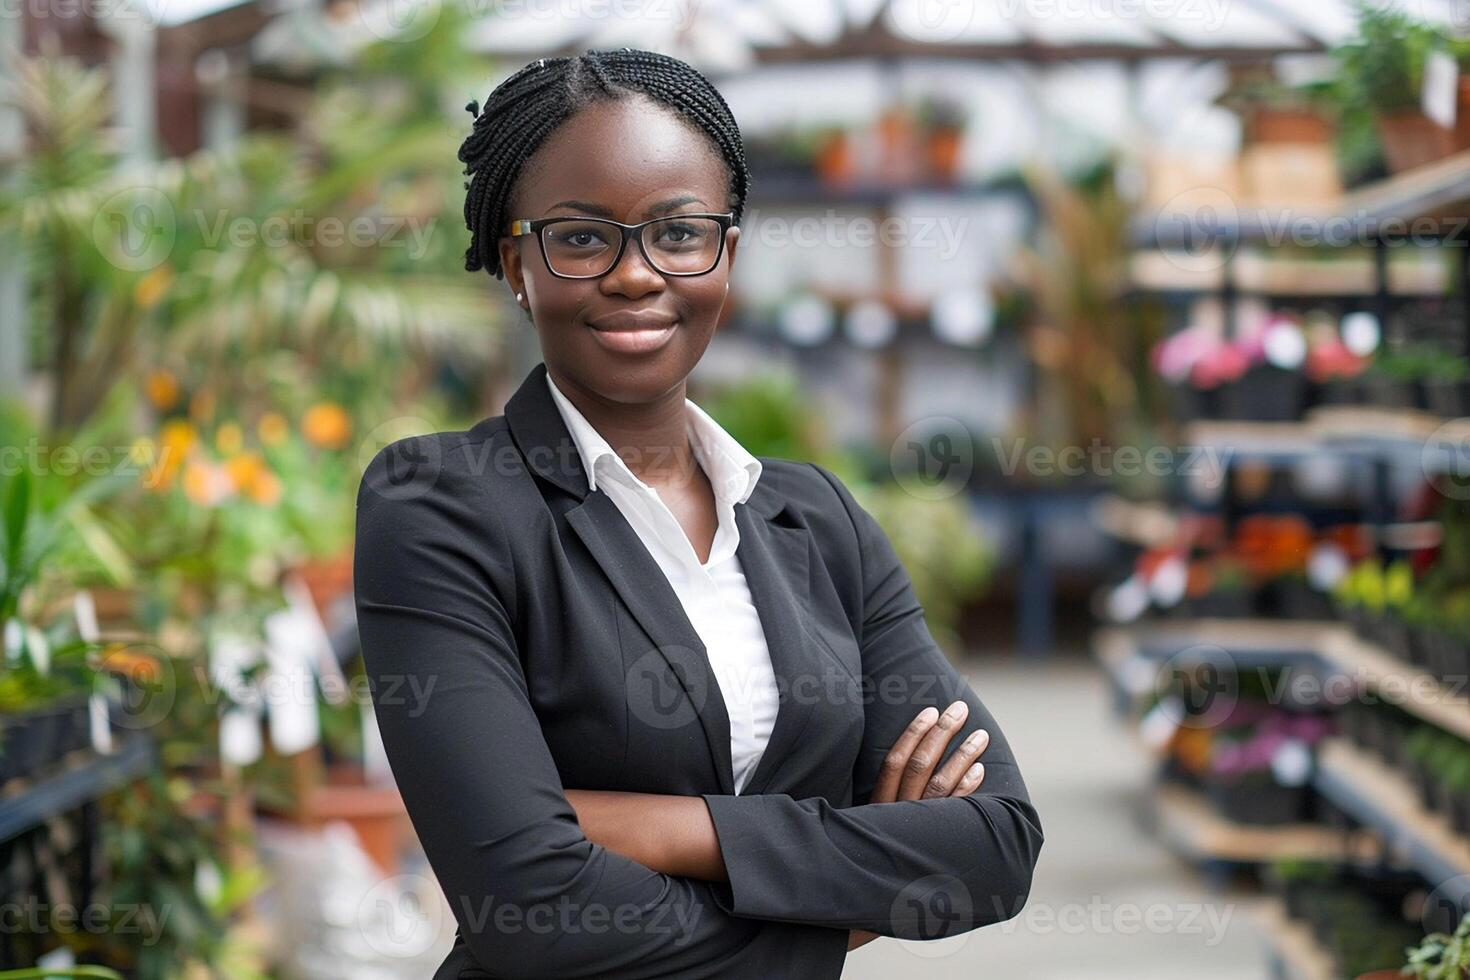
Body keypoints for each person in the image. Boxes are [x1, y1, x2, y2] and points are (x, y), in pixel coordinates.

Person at [353, 47, 1044, 980]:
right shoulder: (440, 505)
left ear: (728, 253)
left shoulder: (818, 522)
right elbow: (525, 905)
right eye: (583, 237)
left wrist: (658, 831)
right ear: (517, 264)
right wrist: (844, 894)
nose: (638, 275)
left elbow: (994, 846)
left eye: (680, 233)